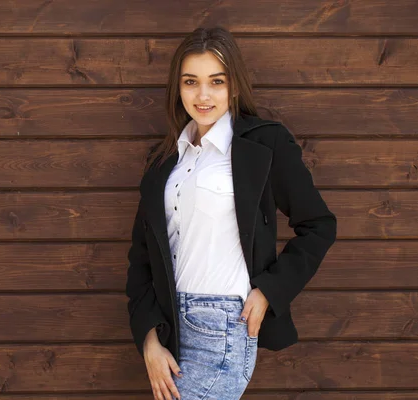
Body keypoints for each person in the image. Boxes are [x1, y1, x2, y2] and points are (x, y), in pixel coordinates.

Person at [125, 26, 337, 400]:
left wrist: (270, 290)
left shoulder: (263, 144)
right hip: (169, 328)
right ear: (178, 87)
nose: (203, 95)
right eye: (191, 81)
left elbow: (318, 225)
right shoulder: (163, 163)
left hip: (223, 325)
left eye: (216, 81)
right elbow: (142, 257)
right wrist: (148, 339)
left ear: (234, 86)